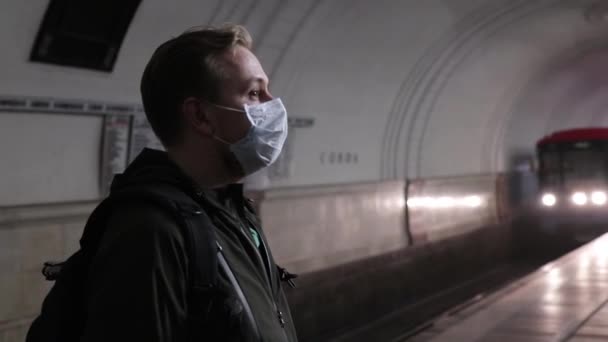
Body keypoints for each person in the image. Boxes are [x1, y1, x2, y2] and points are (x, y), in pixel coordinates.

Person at [81, 24, 298, 341]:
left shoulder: (233, 210)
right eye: (254, 93)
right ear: (200, 116)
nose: (272, 103)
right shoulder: (150, 232)